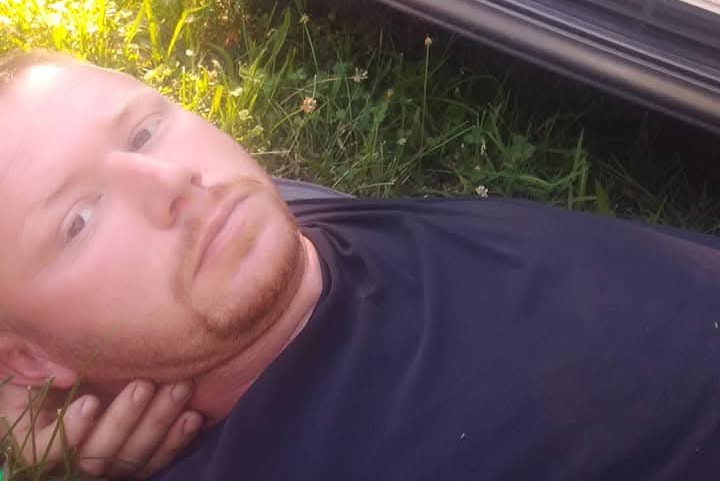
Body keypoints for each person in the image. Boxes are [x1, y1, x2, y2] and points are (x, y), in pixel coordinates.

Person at [2, 49, 720, 480]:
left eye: (144, 130)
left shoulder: (288, 229)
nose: (171, 183)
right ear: (27, 360)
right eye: (79, 220)